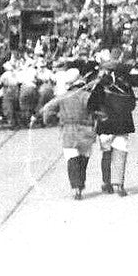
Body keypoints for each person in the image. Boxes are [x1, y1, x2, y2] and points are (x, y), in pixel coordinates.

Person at [39, 68, 97, 200]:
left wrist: (50, 120)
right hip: (86, 130)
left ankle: (76, 188)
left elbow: (47, 109)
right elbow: (98, 111)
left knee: (72, 160)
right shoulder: (87, 96)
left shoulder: (63, 96)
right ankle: (80, 186)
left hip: (69, 131)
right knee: (83, 160)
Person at [88, 50, 137, 197]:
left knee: (106, 155)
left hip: (106, 125)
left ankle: (106, 183)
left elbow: (91, 105)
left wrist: (97, 115)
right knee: (121, 154)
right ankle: (119, 185)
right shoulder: (126, 85)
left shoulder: (100, 86)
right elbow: (132, 104)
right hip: (123, 125)